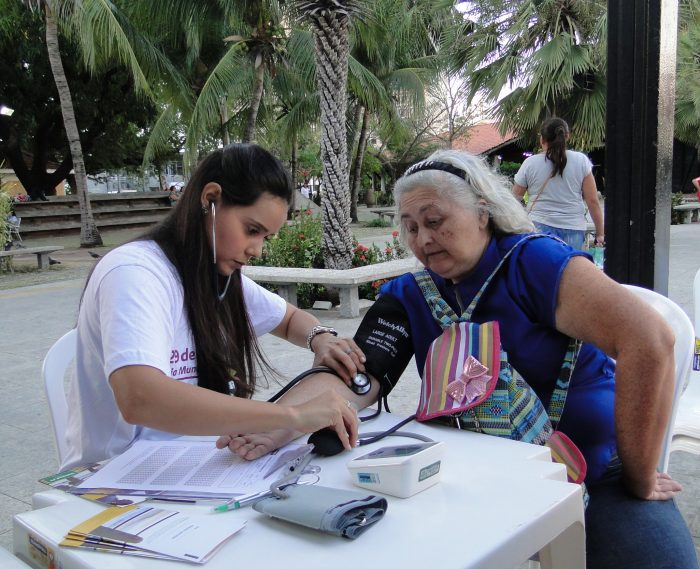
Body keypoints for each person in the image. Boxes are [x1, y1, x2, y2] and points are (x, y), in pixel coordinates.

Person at [222, 149, 698, 569]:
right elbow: (357, 376)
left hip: (593, 472)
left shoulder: (534, 263)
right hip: (471, 480)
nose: (422, 239)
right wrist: (281, 422)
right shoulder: (409, 295)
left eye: (434, 221)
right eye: (409, 227)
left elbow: (648, 340)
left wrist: (639, 475)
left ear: (483, 213)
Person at [62, 143, 362, 471]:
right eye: (252, 230)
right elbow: (140, 398)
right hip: (114, 477)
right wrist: (293, 416)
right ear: (210, 199)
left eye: (266, 238)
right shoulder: (136, 273)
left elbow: (289, 319)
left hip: (193, 466)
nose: (257, 250)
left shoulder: (214, 274)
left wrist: (320, 337)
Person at [512, 117, 604, 250]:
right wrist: (600, 233)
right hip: (573, 229)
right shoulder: (581, 161)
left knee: (541, 270)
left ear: (542, 139)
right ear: (567, 136)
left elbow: (514, 199)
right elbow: (592, 200)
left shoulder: (530, 164)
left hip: (539, 227)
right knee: (569, 270)